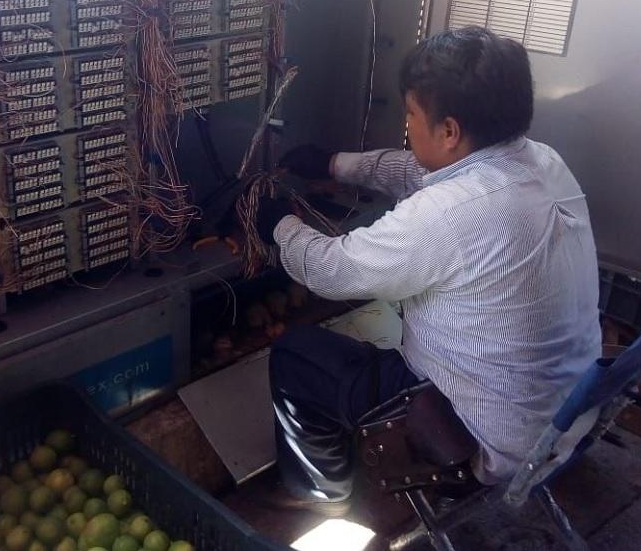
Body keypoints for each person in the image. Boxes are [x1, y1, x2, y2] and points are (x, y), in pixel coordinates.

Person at [257, 26, 602, 514]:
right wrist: (335, 164)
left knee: (296, 355)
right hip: (563, 420)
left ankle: (319, 492)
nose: (407, 124)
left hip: (483, 442)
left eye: (411, 113)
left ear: (449, 131)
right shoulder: (540, 162)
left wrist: (277, 226)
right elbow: (420, 172)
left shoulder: (449, 214)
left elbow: (331, 271)